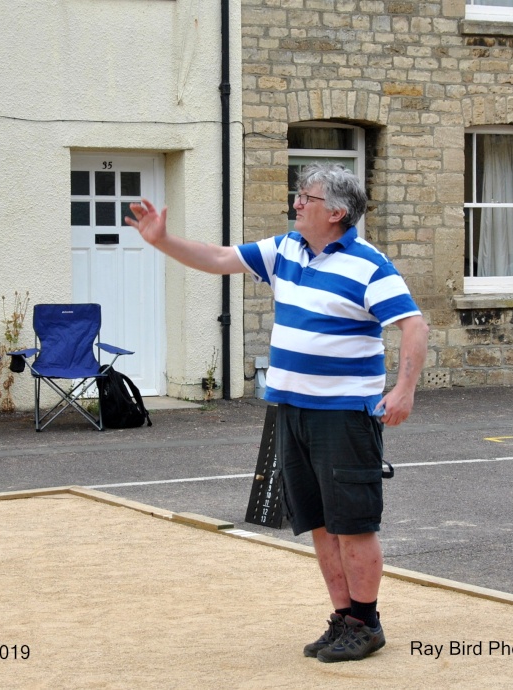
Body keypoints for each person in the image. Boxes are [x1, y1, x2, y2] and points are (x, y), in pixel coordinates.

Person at [125, 163, 428, 663]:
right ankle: (343, 617)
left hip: (344, 415)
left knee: (353, 523)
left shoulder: (369, 265)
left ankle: (367, 622)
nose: (296, 204)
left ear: (335, 212)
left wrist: (404, 391)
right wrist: (162, 240)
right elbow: (221, 257)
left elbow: (412, 325)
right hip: (289, 409)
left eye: (305, 197)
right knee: (317, 522)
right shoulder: (286, 249)